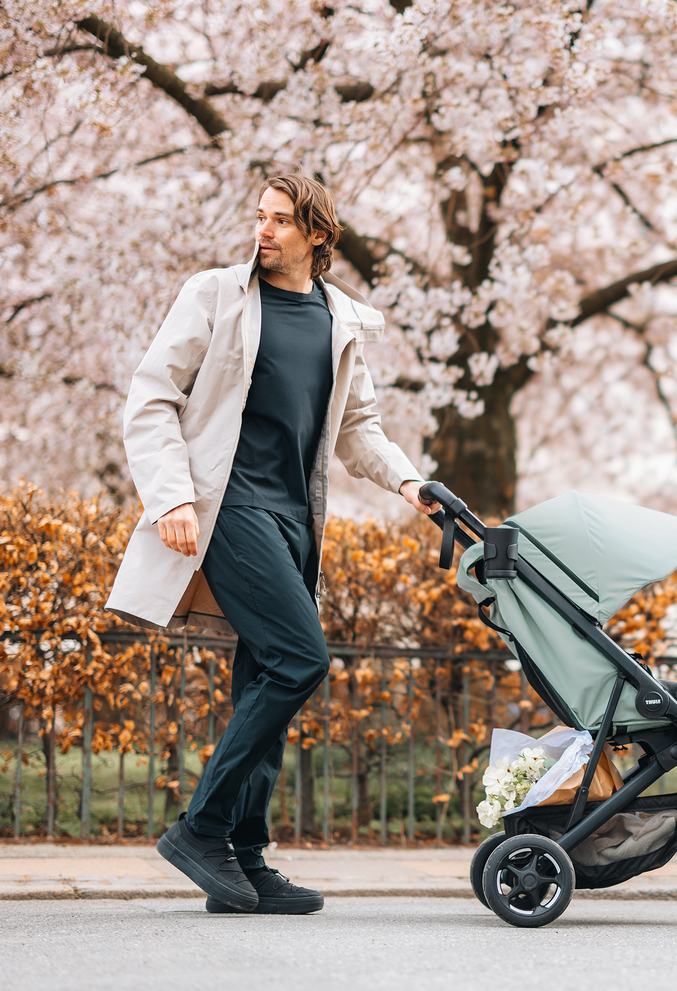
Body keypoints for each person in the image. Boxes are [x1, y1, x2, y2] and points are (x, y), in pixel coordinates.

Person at [107, 165, 433, 915]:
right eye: (260, 215)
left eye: (281, 219)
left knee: (265, 684)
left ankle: (243, 861)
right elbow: (152, 395)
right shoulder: (216, 294)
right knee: (300, 659)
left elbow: (357, 427)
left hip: (295, 520)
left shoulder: (339, 320)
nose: (263, 229)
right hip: (228, 508)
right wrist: (172, 497)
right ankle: (200, 829)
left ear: (317, 234)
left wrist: (411, 484)